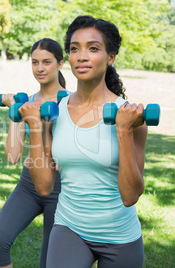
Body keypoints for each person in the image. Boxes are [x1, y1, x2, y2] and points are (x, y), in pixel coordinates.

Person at [19, 15, 146, 268]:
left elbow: (130, 196)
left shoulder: (130, 118)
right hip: (69, 228)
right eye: (75, 49)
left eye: (93, 48)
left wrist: (123, 131)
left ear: (111, 57)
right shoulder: (54, 111)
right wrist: (34, 127)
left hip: (120, 236)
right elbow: (44, 188)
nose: (82, 56)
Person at [0, 38, 66, 268]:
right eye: (34, 62)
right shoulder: (28, 102)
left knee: (49, 261)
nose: (40, 68)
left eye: (46, 62)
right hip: (28, 185)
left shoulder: (71, 102)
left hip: (61, 188)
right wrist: (15, 112)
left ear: (60, 64)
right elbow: (13, 156)